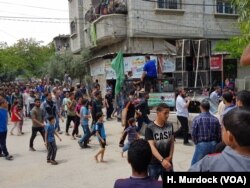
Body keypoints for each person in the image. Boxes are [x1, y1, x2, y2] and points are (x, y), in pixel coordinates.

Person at [145, 103, 174, 180]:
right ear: (158, 113)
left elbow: (171, 142)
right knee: (152, 185)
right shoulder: (150, 127)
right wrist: (162, 160)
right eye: (165, 113)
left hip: (168, 162)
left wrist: (170, 156)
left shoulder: (170, 125)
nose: (167, 115)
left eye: (168, 113)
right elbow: (151, 146)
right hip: (154, 164)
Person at [191, 99, 221, 165]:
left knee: (195, 164)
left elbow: (193, 133)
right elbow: (219, 133)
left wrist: (197, 142)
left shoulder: (197, 119)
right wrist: (216, 142)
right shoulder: (215, 119)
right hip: (214, 144)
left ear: (201, 107)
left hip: (202, 144)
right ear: (209, 108)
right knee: (212, 163)